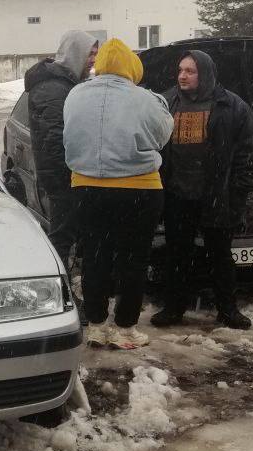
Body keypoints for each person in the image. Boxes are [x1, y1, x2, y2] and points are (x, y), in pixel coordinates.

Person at [62, 38, 174, 350]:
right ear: (131, 66)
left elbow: (68, 132)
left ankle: (97, 325)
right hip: (138, 189)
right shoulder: (144, 98)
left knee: (95, 257)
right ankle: (125, 328)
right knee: (133, 259)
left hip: (86, 188)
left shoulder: (75, 94)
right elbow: (164, 135)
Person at [150, 50, 253, 331]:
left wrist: (237, 192)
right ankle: (174, 308)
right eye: (180, 70)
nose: (182, 76)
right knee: (177, 254)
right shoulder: (166, 102)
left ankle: (228, 310)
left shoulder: (231, 106)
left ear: (205, 73)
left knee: (220, 255)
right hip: (177, 194)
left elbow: (248, 153)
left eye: (190, 71)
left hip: (216, 195)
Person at [23, 30, 99, 266]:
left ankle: (69, 279)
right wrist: (70, 176)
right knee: (62, 237)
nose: (94, 59)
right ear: (76, 53)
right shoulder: (53, 88)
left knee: (69, 233)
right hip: (62, 176)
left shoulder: (64, 83)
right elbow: (54, 137)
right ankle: (60, 286)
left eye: (96, 53)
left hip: (66, 175)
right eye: (90, 54)